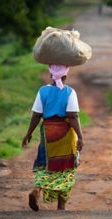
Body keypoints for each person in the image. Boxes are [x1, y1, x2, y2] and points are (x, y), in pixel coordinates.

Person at [22, 64, 83, 211]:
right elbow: (73, 116)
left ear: (50, 75)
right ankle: (61, 206)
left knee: (44, 163)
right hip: (66, 134)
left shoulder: (43, 91)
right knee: (65, 167)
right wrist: (80, 136)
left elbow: (36, 115)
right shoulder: (70, 92)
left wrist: (28, 133)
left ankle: (37, 189)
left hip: (47, 132)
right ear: (65, 76)